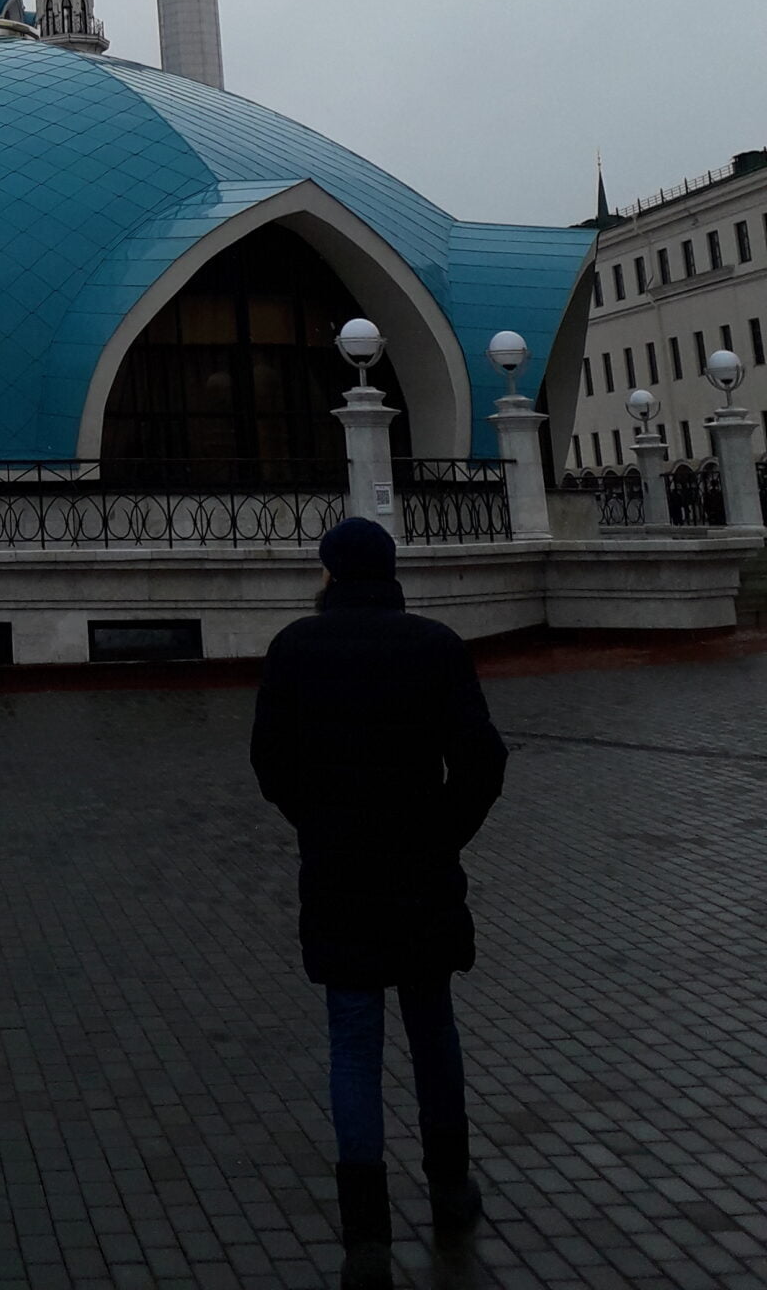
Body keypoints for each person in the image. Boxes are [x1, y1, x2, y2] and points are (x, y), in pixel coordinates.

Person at [250, 517, 507, 1290]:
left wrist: (319, 824)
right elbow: (482, 759)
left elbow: (271, 761)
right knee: (432, 1028)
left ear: (332, 573)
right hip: (421, 872)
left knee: (353, 1043)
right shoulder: (435, 645)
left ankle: (366, 1233)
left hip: (340, 875)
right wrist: (443, 833)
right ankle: (451, 1190)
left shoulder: (295, 648)